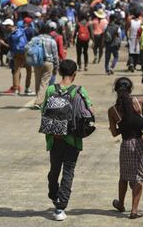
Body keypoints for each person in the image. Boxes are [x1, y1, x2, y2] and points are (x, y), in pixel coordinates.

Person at [42, 59, 93, 221]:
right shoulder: (79, 90)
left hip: (54, 138)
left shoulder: (51, 89)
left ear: (59, 72)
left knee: (54, 170)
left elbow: (44, 111)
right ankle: (60, 207)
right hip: (73, 138)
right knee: (68, 172)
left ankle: (53, 192)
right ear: (74, 74)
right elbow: (89, 111)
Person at [108, 77, 143, 219]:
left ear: (116, 90)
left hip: (126, 144)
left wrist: (123, 127)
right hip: (141, 143)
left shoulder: (113, 110)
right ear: (130, 89)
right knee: (138, 177)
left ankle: (120, 203)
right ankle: (134, 210)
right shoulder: (140, 102)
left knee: (124, 176)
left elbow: (114, 133)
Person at [33, 25, 59, 109]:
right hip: (48, 62)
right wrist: (56, 66)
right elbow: (55, 55)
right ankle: (39, 102)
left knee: (38, 81)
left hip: (37, 63)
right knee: (44, 82)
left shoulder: (35, 40)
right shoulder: (52, 41)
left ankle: (39, 99)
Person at [6, 19, 33, 95]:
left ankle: (16, 89)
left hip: (16, 53)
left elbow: (10, 45)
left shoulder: (10, 34)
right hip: (25, 51)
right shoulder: (22, 30)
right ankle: (27, 89)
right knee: (29, 70)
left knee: (16, 70)